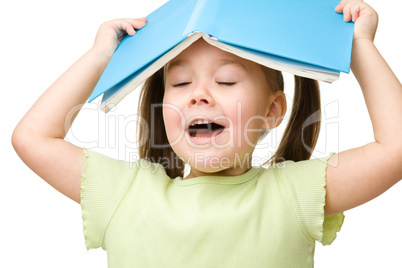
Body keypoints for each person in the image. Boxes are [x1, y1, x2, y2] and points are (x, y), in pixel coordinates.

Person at [11, 0, 402, 267]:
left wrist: (360, 45)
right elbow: (32, 138)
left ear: (271, 110)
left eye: (226, 80)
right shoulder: (125, 193)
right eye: (179, 83)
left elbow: (395, 149)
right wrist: (100, 56)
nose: (198, 94)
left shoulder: (293, 194)